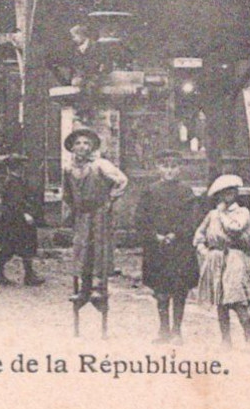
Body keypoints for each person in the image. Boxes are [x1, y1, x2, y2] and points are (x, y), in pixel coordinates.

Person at [62, 127, 129, 337]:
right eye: (78, 144)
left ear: (91, 147)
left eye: (86, 143)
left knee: (99, 248)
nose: (82, 147)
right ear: (73, 148)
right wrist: (73, 209)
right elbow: (67, 193)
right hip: (82, 215)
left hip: (99, 214)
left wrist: (110, 200)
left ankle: (99, 287)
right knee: (82, 250)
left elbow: (121, 180)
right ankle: (84, 288)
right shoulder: (68, 169)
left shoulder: (100, 165)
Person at [137, 151, 201, 343]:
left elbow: (192, 219)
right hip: (157, 249)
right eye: (165, 166)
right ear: (158, 167)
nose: (169, 170)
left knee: (179, 289)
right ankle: (163, 329)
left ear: (179, 168)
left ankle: (177, 330)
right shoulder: (150, 191)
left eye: (173, 166)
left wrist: (176, 234)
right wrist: (154, 235)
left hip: (180, 248)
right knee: (161, 290)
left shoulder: (186, 192)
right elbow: (141, 218)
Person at [195, 173, 250, 346]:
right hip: (215, 259)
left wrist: (221, 214)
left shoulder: (242, 212)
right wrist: (204, 251)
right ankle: (226, 340)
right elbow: (199, 235)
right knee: (220, 301)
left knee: (237, 298)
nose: (228, 195)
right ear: (219, 195)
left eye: (231, 191)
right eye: (224, 192)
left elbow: (235, 228)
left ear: (237, 193)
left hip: (234, 257)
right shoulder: (212, 215)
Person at [0, 155, 44, 286]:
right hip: (15, 219)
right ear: (16, 167)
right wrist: (25, 214)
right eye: (20, 166)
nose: (23, 169)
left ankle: (28, 274)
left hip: (15, 219)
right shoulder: (12, 182)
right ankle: (0, 273)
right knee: (11, 247)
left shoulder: (17, 180)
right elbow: (15, 202)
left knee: (23, 246)